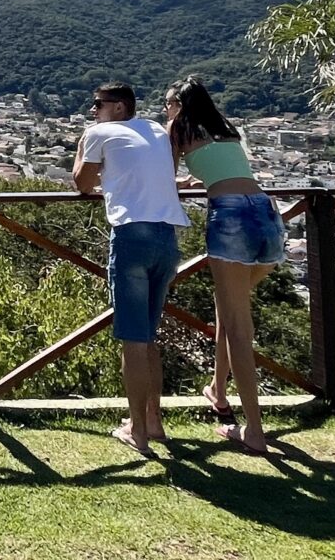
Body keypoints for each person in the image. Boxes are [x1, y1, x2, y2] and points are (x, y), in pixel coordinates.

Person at [164, 77, 285, 455]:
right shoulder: (225, 129)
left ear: (181, 106)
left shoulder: (179, 128)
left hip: (230, 216)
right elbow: (223, 170)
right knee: (228, 310)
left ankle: (254, 430)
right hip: (265, 212)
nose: (167, 109)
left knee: (237, 327)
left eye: (169, 104)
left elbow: (165, 178)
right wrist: (194, 177)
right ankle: (218, 391)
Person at [73, 82, 189, 457]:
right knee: (149, 336)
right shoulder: (155, 129)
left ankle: (137, 431)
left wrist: (83, 144)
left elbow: (81, 183)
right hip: (167, 237)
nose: (93, 111)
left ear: (120, 107)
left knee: (133, 341)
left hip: (131, 236)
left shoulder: (100, 132)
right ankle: (155, 422)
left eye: (98, 104)